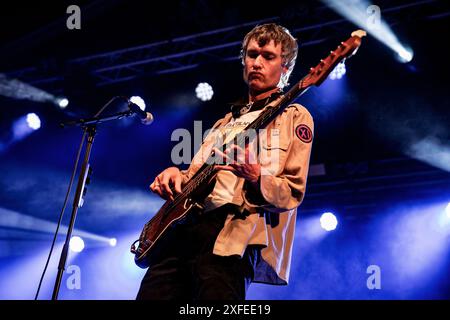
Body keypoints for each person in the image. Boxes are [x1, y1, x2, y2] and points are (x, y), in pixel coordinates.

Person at [136, 23, 314, 300]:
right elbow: (193, 177)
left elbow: (292, 191)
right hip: (182, 232)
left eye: (268, 56)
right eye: (252, 54)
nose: (256, 62)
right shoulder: (224, 122)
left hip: (232, 234)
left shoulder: (294, 116)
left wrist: (256, 177)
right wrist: (174, 174)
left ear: (286, 66)